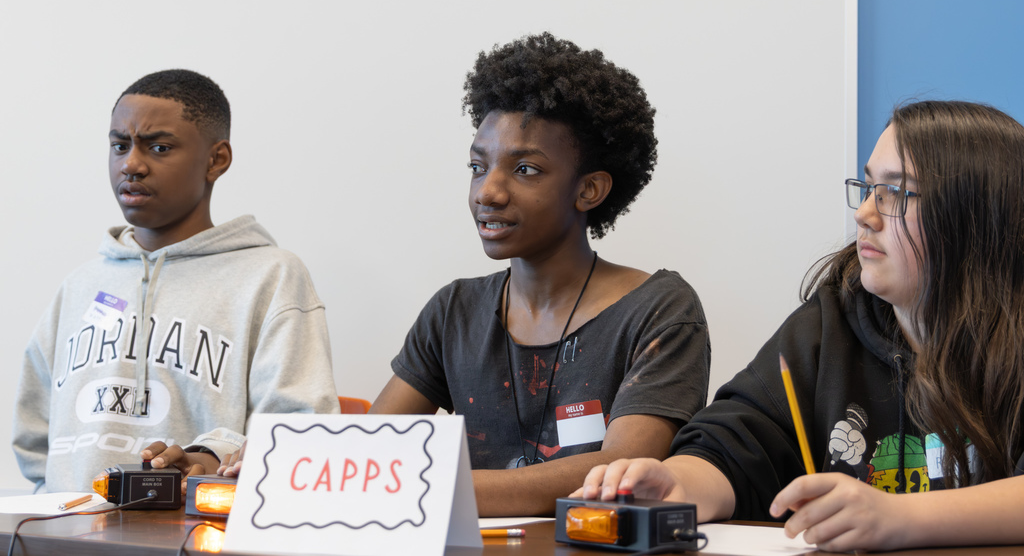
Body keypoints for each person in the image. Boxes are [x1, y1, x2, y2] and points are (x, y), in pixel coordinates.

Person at [578, 100, 1024, 551]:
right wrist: (679, 484)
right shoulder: (832, 318)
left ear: (975, 217)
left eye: (896, 194)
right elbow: (738, 442)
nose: (864, 214)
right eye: (868, 188)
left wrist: (900, 517)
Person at [367, 33, 711, 516]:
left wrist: (431, 485)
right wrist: (276, 465)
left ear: (589, 189)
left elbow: (621, 466)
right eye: (477, 166)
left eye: (525, 169)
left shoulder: (659, 310)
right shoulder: (454, 312)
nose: (488, 192)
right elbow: (370, 454)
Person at [13, 69, 340, 493]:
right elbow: (35, 438)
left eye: (159, 147)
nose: (131, 164)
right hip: (72, 535)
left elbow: (300, 431)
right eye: (119, 145)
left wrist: (213, 457)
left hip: (196, 537)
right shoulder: (81, 285)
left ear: (216, 159)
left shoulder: (270, 277)